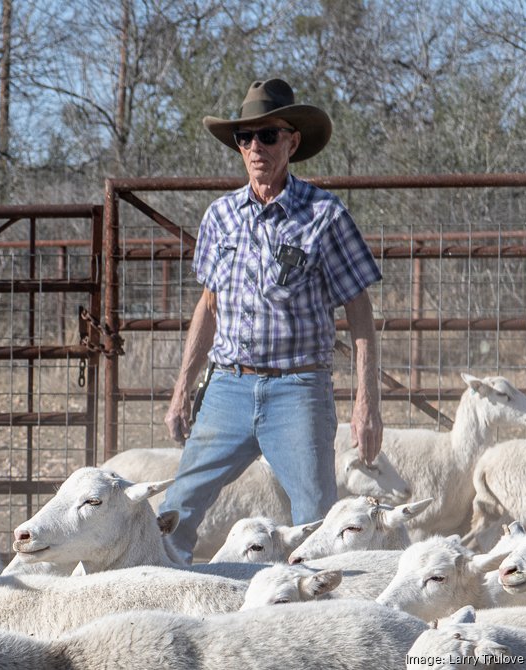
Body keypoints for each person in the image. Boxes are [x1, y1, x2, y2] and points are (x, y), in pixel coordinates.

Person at [161, 77, 383, 564]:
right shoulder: (220, 216)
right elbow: (208, 305)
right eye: (245, 137)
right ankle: (159, 605)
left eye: (268, 135)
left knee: (317, 523)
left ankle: (322, 626)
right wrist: (183, 387)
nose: (255, 147)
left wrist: (366, 402)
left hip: (298, 388)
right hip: (227, 387)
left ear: (292, 141)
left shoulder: (324, 214)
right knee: (175, 511)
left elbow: (359, 311)